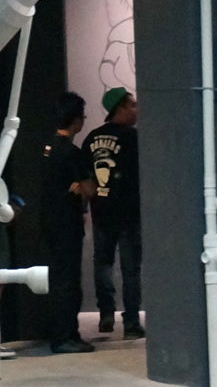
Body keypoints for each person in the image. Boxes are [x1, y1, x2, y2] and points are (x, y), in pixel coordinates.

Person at [85, 86, 143, 339]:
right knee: (130, 269)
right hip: (129, 213)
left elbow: (85, 176)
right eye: (132, 105)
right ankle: (131, 322)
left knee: (103, 264)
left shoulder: (92, 139)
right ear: (120, 108)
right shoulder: (133, 138)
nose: (136, 110)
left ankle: (106, 315)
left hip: (101, 211)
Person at [41, 91, 95, 353]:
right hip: (68, 223)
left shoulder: (47, 148)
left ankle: (61, 333)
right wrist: (80, 187)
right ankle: (66, 337)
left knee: (58, 278)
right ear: (75, 120)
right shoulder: (72, 152)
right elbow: (91, 189)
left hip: (49, 221)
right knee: (69, 281)